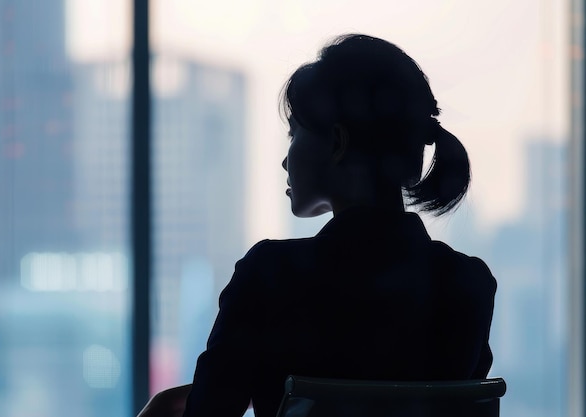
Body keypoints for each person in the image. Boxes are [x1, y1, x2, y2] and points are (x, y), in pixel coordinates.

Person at [144, 33, 497, 417]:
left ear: (337, 142)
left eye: (294, 133)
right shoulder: (468, 284)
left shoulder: (269, 276)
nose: (284, 161)